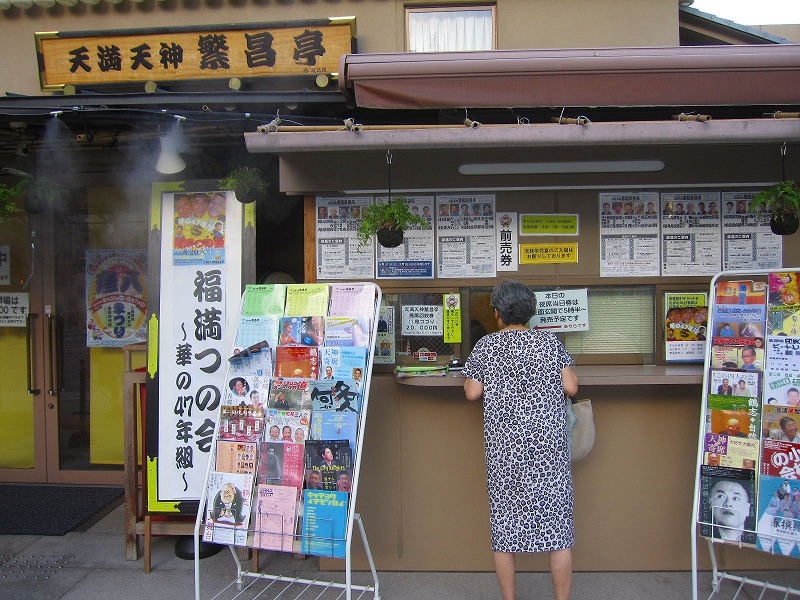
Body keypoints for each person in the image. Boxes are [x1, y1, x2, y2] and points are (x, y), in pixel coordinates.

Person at [462, 280, 578, 600]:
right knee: (558, 531)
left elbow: (473, 392)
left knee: (505, 529)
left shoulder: (486, 346)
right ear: (530, 312)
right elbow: (572, 387)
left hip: (504, 452)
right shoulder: (550, 343)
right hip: (548, 449)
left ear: (497, 313)